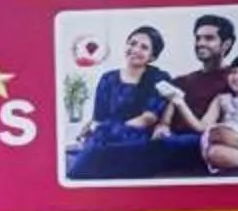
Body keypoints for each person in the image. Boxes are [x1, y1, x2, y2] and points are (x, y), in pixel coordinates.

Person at [62, 26, 207, 182]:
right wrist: (92, 130)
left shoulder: (159, 77)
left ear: (152, 57)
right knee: (90, 148)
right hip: (106, 134)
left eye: (144, 47)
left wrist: (112, 130)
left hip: (139, 135)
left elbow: (148, 118)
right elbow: (99, 116)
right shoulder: (108, 78)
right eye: (132, 43)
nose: (135, 49)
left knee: (100, 150)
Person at [173, 14, 238, 119]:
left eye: (209, 38)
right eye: (198, 38)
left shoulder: (237, 80)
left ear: (226, 44)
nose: (200, 43)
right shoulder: (182, 82)